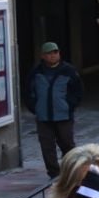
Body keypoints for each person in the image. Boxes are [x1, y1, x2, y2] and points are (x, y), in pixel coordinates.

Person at [28, 40, 83, 176]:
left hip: (63, 115)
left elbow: (78, 91)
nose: (53, 56)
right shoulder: (36, 72)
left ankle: (70, 171)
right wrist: (34, 107)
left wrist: (69, 105)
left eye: (55, 52)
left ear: (59, 53)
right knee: (47, 146)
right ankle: (53, 173)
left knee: (67, 144)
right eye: (49, 53)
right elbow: (28, 91)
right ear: (43, 56)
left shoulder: (68, 70)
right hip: (43, 116)